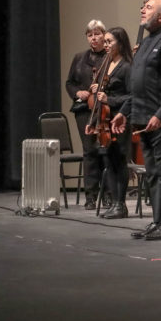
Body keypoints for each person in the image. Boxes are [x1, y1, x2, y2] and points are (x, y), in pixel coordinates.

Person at [112, 0, 161, 241]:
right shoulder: (145, 42)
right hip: (143, 118)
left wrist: (160, 115)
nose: (142, 9)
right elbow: (138, 86)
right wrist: (124, 111)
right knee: (153, 172)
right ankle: (157, 221)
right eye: (143, 7)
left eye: (149, 7)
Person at [85, 27, 132, 219]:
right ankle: (114, 203)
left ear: (120, 43)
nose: (106, 45)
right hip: (104, 121)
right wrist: (93, 121)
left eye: (109, 41)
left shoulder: (127, 66)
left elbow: (132, 96)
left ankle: (121, 204)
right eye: (105, 41)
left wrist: (109, 99)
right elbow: (100, 97)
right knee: (108, 162)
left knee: (119, 161)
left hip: (119, 119)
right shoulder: (106, 63)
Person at [65, 19, 108, 210]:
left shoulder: (110, 57)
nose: (94, 38)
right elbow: (70, 83)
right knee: (89, 151)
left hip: (105, 109)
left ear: (104, 35)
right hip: (84, 110)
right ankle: (90, 196)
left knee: (105, 151)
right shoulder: (79, 58)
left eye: (97, 34)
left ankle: (108, 195)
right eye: (90, 35)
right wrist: (78, 93)